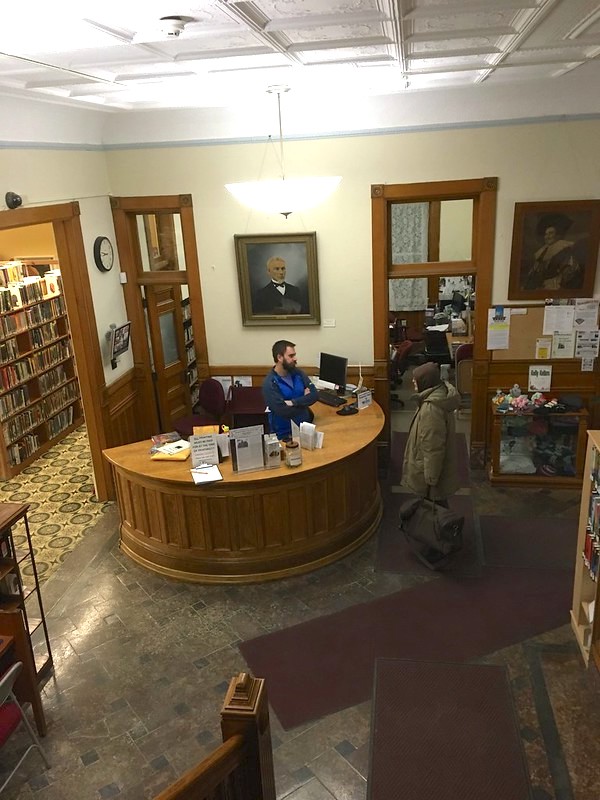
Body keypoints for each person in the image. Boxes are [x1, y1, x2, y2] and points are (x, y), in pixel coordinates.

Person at [401, 361, 461, 505]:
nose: (413, 383)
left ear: (425, 382)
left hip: (429, 473)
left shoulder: (431, 409)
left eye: (416, 380)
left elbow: (433, 447)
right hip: (434, 468)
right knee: (437, 508)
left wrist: (431, 479)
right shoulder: (438, 397)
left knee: (434, 509)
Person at [262, 340, 318, 440]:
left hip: (306, 429)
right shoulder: (270, 383)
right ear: (279, 357)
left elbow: (314, 395)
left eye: (295, 355)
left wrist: (293, 402)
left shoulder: (298, 373)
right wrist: (304, 401)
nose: (295, 359)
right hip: (283, 435)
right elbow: (283, 411)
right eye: (291, 356)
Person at [523, 214, 583, 291]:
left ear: (558, 234)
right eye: (546, 234)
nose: (547, 237)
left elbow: (570, 274)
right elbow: (534, 273)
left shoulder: (565, 250)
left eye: (551, 233)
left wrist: (553, 282)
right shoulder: (542, 253)